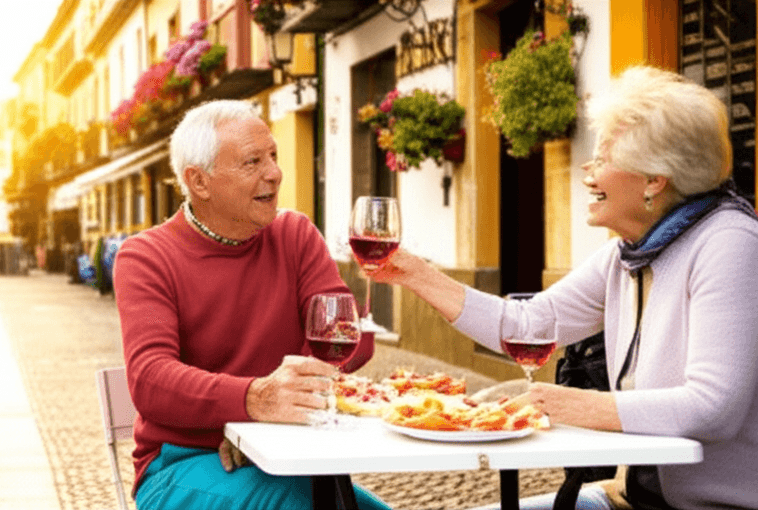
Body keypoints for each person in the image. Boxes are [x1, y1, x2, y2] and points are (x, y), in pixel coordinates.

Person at [364, 66, 758, 510]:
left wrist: (578, 406)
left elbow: (713, 407)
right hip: (631, 497)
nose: (588, 173)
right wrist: (416, 273)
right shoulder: (626, 253)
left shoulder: (729, 244)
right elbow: (529, 325)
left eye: (603, 159)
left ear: (654, 179)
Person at [113, 100, 391, 510]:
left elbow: (350, 338)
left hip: (286, 456)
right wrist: (254, 402)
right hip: (181, 464)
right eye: (252, 162)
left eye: (274, 156)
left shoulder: (295, 234)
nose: (275, 173)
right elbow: (150, 379)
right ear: (199, 181)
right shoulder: (146, 256)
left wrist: (261, 425)